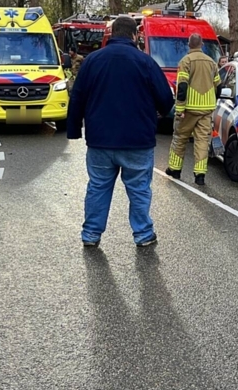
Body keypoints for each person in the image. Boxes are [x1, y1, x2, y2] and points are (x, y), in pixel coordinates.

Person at [66, 15, 175, 247]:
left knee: (98, 187)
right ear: (135, 35)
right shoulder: (145, 62)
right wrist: (161, 112)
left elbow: (77, 97)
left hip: (100, 140)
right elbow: (165, 99)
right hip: (138, 141)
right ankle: (143, 234)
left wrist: (74, 129)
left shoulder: (92, 61)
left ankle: (91, 235)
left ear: (112, 33)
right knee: (138, 189)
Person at [166, 33, 220, 186]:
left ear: (188, 45)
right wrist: (212, 101)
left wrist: (180, 108)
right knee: (202, 140)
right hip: (206, 108)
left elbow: (182, 86)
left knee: (180, 137)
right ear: (201, 44)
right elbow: (218, 85)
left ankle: (175, 169)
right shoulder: (211, 62)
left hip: (189, 108)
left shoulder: (186, 61)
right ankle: (200, 174)